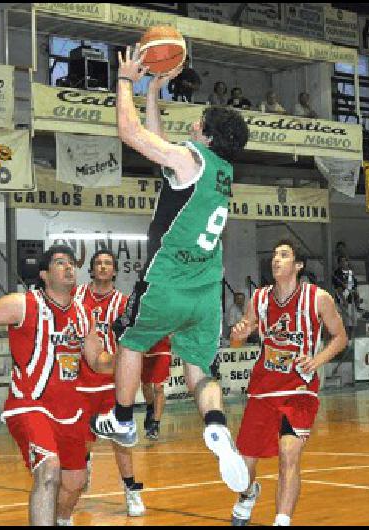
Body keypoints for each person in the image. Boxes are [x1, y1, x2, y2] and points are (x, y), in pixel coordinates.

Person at [90, 45, 252, 498]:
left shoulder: (191, 159)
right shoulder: (220, 172)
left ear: (207, 135)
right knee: (199, 368)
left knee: (131, 340)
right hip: (204, 293)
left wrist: (126, 79)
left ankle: (122, 419)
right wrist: (153, 93)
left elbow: (129, 132)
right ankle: (217, 426)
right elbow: (162, 149)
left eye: (200, 121)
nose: (194, 123)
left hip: (168, 281)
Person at [0, 245, 107, 526]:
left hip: (69, 412)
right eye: (60, 263)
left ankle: (61, 520)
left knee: (75, 482)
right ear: (44, 274)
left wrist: (130, 352)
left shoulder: (84, 313)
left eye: (71, 263)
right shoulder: (24, 303)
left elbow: (98, 361)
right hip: (29, 405)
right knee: (49, 469)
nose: (69, 267)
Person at [229, 240, 348, 527]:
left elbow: (341, 337)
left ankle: (282, 521)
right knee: (244, 468)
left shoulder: (318, 298)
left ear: (298, 266)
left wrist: (318, 361)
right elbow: (236, 342)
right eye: (273, 256)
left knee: (288, 453)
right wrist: (239, 334)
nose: (276, 260)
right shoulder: (258, 298)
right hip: (263, 388)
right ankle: (247, 494)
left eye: (284, 255)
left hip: (299, 389)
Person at [74, 249, 145, 517]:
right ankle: (84, 464)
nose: (103, 267)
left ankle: (131, 490)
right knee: (81, 440)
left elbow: (134, 345)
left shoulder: (125, 303)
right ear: (91, 270)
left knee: (122, 442)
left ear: (114, 271)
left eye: (108, 264)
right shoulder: (77, 298)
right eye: (98, 264)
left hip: (111, 383)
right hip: (80, 381)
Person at [141, 336, 172, 441]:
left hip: (162, 349)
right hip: (144, 349)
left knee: (158, 386)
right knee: (145, 385)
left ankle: (155, 424)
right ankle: (150, 409)